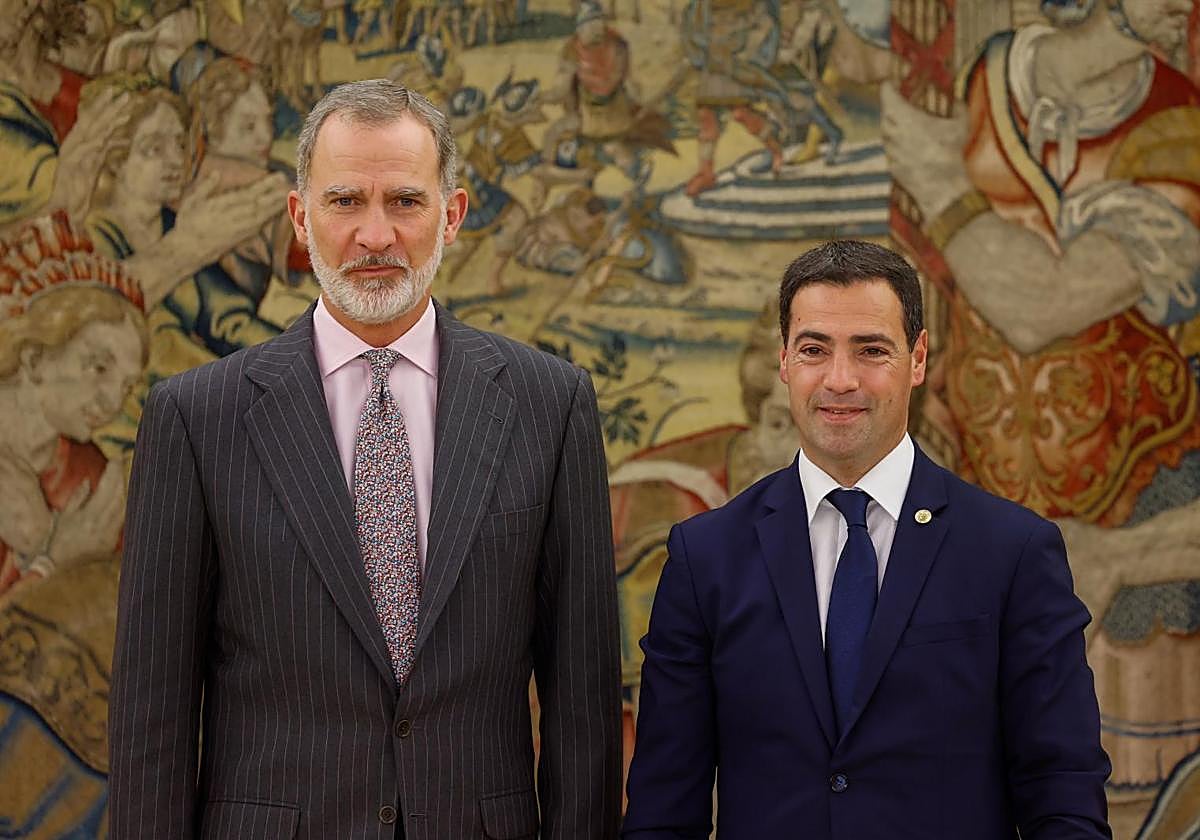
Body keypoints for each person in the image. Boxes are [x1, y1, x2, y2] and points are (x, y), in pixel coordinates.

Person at [109, 79, 622, 839]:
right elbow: (152, 718)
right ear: (300, 216)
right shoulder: (195, 419)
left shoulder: (552, 406)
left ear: (452, 215)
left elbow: (582, 705)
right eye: (346, 201)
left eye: (405, 203)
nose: (375, 236)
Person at [622, 239, 1111, 839]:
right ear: (783, 362)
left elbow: (1063, 793)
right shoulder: (707, 557)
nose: (840, 379)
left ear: (919, 358)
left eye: (871, 350)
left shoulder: (1013, 553)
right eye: (814, 350)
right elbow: (663, 809)